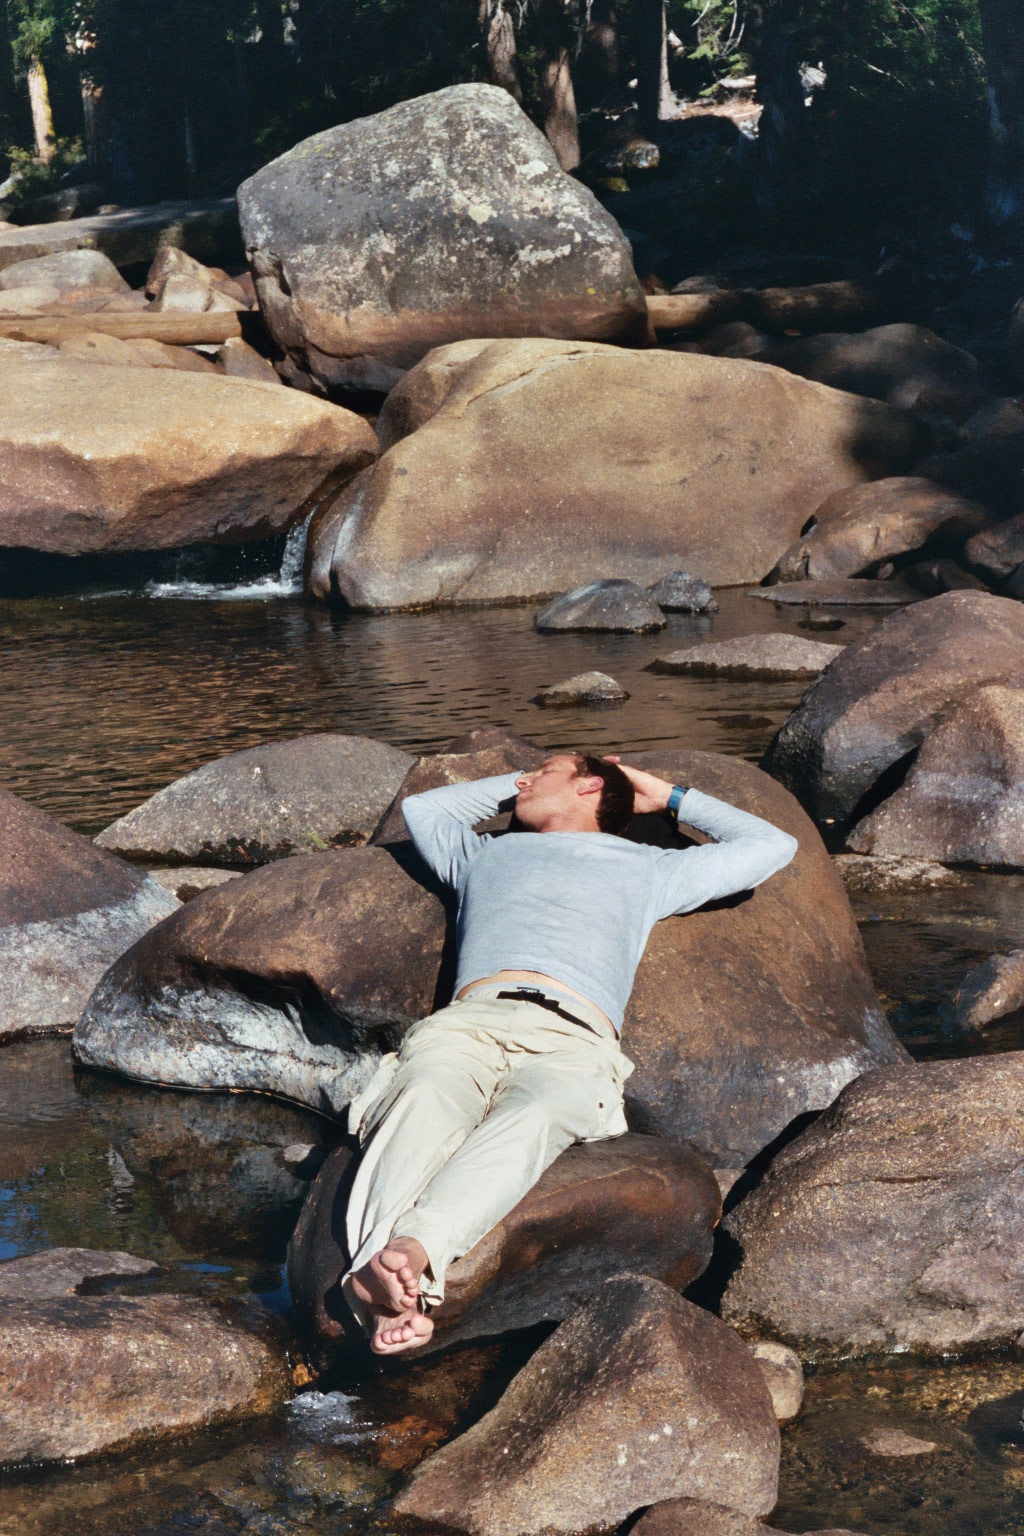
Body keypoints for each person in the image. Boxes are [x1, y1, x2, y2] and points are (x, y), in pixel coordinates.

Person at [342, 752, 798, 1354]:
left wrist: (664, 794)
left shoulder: (649, 867)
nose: (525, 778)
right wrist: (519, 786)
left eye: (542, 769)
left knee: (533, 1118)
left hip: (574, 1037)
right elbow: (424, 807)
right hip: (471, 1020)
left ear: (589, 785)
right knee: (422, 1099)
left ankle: (405, 1260)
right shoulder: (483, 854)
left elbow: (773, 845)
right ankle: (389, 1281)